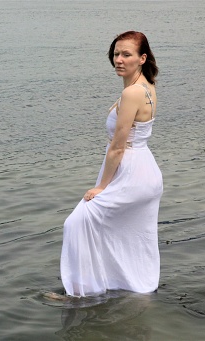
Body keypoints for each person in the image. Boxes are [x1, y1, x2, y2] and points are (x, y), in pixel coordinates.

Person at [60, 31, 163, 297]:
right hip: (144, 169)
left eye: (126, 54)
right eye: (116, 54)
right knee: (125, 235)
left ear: (142, 58)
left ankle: (82, 291)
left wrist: (101, 188)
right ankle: (124, 286)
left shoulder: (132, 93)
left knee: (77, 223)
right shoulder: (147, 86)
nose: (118, 59)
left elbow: (118, 147)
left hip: (130, 173)